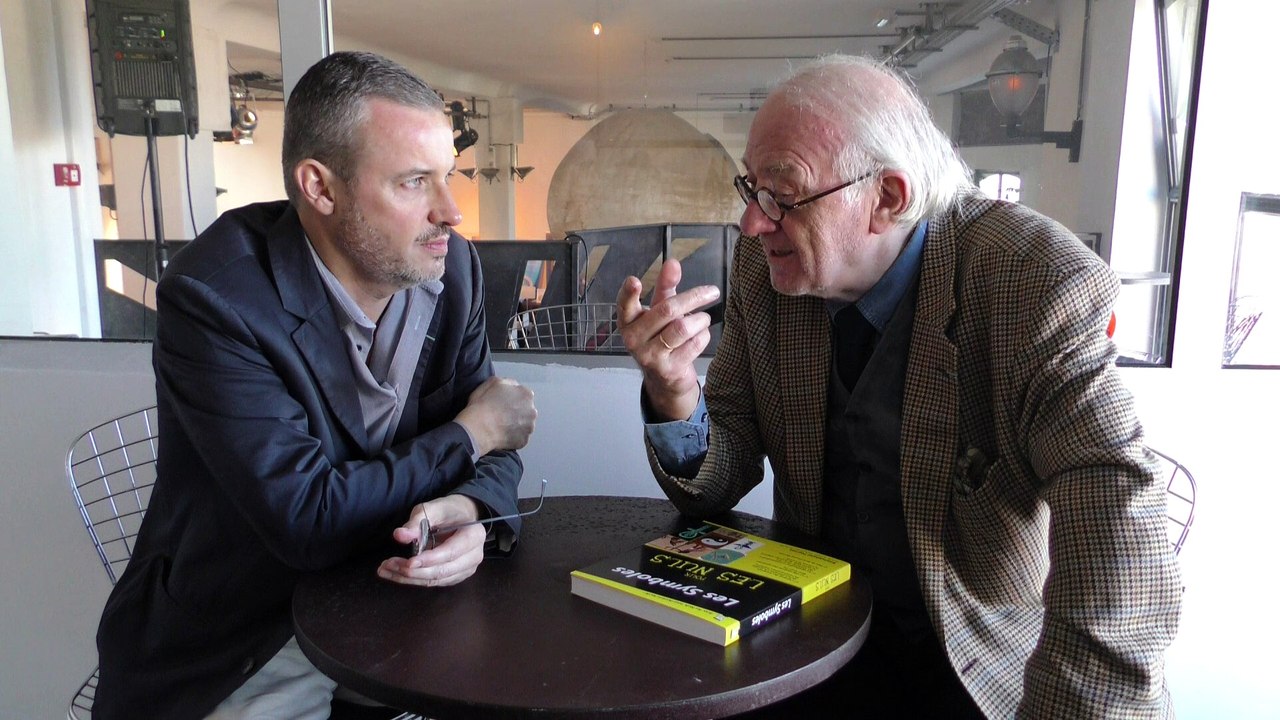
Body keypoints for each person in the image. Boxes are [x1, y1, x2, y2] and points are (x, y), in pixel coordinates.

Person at [617, 54, 1181, 718]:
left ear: (887, 197)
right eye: (752, 190)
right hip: (808, 638)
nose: (752, 223)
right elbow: (720, 479)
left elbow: (1118, 529)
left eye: (783, 195)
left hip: (970, 665)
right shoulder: (769, 275)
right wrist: (676, 392)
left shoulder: (1033, 281)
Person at [94, 51, 537, 720]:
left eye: (448, 176)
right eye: (415, 182)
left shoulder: (453, 273)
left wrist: (472, 510)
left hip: (396, 610)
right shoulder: (217, 299)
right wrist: (472, 434)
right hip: (248, 639)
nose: (451, 211)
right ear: (320, 188)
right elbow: (309, 521)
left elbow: (492, 454)